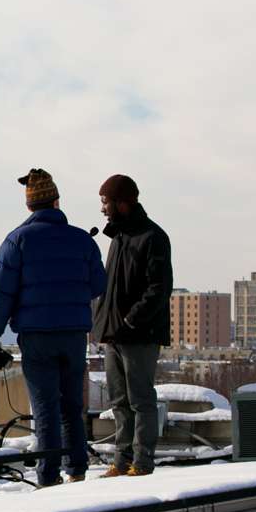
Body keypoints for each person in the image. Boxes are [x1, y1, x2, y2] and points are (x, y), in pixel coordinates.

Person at [0, 169, 107, 487]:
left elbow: (1, 295)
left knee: (45, 407)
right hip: (74, 334)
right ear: (56, 201)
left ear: (29, 207)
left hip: (36, 336)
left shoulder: (17, 241)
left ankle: (48, 476)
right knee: (72, 405)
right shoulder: (81, 239)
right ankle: (77, 468)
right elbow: (98, 284)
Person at [91, 174, 172, 477]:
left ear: (122, 202)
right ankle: (121, 461)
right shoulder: (120, 238)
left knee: (140, 399)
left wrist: (129, 321)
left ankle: (142, 461)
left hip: (139, 335)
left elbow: (158, 289)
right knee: (119, 401)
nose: (102, 208)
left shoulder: (152, 237)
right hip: (115, 334)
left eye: (105, 202)